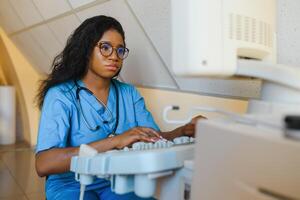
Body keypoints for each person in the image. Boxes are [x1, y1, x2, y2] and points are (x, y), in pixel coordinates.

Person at [35, 15, 203, 200]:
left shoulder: (128, 94)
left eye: (120, 50)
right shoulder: (60, 95)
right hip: (71, 184)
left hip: (119, 179)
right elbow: (44, 164)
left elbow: (151, 138)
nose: (114, 56)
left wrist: (183, 131)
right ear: (85, 50)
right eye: (105, 48)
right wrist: (115, 142)